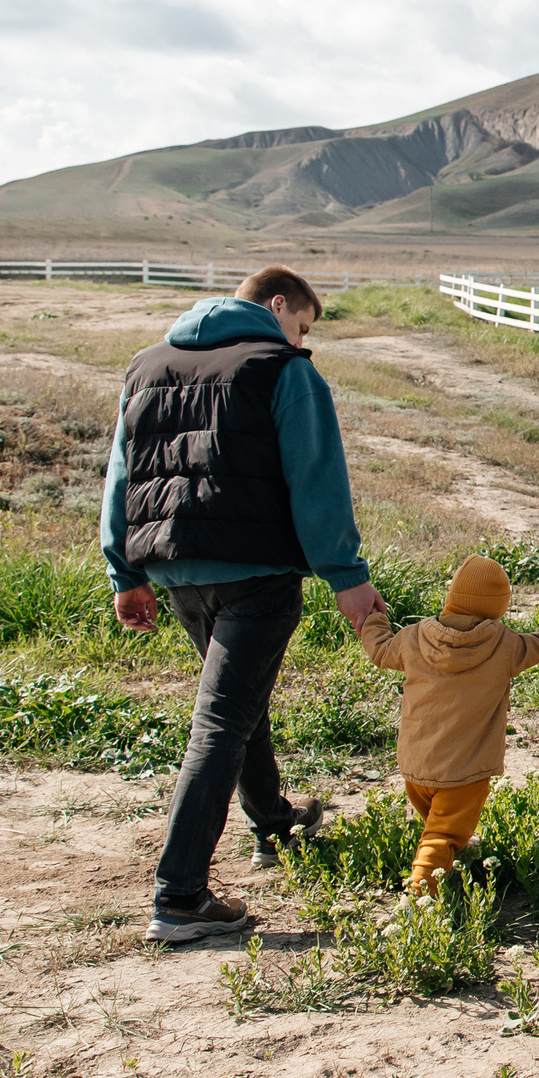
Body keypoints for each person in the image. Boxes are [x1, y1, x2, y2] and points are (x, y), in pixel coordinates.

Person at [100, 265, 386, 944]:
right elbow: (317, 482)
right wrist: (347, 575)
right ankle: (180, 895)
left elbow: (121, 474)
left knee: (235, 700)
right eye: (303, 325)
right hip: (256, 576)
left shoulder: (146, 365)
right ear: (277, 305)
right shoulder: (283, 370)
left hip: (176, 574)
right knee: (222, 721)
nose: (302, 338)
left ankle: (273, 824)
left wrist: (125, 573)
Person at [358, 555, 539, 895]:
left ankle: (448, 853)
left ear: (452, 597)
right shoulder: (505, 645)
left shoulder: (414, 637)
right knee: (441, 833)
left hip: (416, 764)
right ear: (499, 607)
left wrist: (374, 617)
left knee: (437, 823)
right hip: (465, 771)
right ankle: (421, 893)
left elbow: (379, 650)